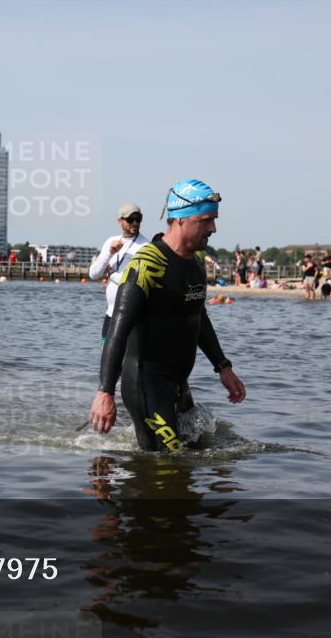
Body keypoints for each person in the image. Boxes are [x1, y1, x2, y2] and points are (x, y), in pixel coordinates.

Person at [89, 178, 246, 451]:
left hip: (178, 383)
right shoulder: (147, 264)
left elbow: (198, 317)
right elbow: (118, 327)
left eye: (214, 220)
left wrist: (223, 366)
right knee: (169, 465)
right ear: (181, 219)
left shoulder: (195, 264)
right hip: (145, 384)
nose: (213, 228)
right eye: (206, 220)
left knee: (195, 454)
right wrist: (105, 392)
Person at [88, 203, 151, 345]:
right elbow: (93, 274)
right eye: (130, 220)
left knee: (127, 365)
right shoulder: (111, 242)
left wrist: (112, 274)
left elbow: (138, 282)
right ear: (120, 221)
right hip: (111, 314)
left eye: (138, 219)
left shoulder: (146, 247)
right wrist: (110, 253)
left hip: (134, 317)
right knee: (106, 362)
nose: (135, 223)